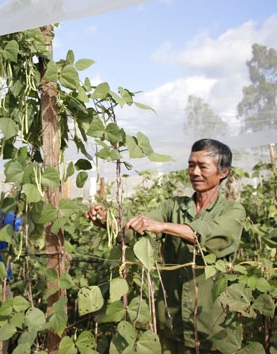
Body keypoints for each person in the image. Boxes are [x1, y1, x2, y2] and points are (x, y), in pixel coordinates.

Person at [85, 139, 245, 353]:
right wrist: (107, 221)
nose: (195, 172)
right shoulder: (173, 206)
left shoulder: (233, 211)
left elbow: (205, 236)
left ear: (223, 172)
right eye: (191, 165)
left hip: (214, 326)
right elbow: (137, 228)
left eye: (203, 166)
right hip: (172, 321)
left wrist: (162, 226)